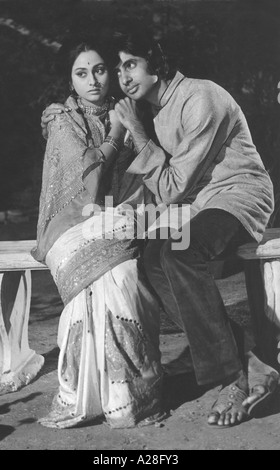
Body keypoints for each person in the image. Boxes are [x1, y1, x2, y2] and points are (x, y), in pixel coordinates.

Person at [41, 28, 279, 429]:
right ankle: (247, 359)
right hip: (198, 208)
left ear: (156, 63)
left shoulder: (201, 97)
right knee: (152, 261)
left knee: (180, 253)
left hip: (237, 199)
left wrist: (132, 129)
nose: (121, 76)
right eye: (117, 68)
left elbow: (169, 186)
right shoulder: (154, 109)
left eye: (130, 64)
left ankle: (234, 378)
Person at [33, 32, 165, 430]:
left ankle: (125, 395)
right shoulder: (61, 118)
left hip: (119, 217)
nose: (92, 80)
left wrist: (130, 126)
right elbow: (86, 177)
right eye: (81, 73)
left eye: (99, 70)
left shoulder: (128, 109)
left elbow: (153, 166)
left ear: (109, 72)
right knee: (107, 274)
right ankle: (84, 391)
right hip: (67, 228)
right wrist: (116, 133)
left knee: (120, 276)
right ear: (70, 80)